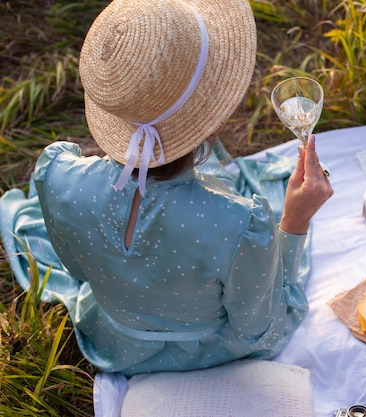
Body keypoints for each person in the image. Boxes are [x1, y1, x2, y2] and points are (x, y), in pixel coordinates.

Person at [8, 0, 333, 376]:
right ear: (211, 117)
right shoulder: (237, 225)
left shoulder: (58, 176)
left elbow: (78, 270)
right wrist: (294, 222)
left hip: (113, 342)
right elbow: (257, 328)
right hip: (207, 352)